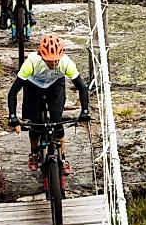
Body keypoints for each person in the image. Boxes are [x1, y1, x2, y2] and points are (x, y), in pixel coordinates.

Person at [7, 32, 91, 171]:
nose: (53, 63)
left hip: (55, 85)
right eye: (49, 60)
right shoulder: (31, 63)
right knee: (36, 125)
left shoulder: (66, 63)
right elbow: (13, 91)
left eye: (56, 60)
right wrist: (12, 116)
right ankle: (34, 153)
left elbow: (82, 88)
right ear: (42, 56)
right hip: (33, 86)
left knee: (57, 121)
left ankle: (63, 158)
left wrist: (84, 111)